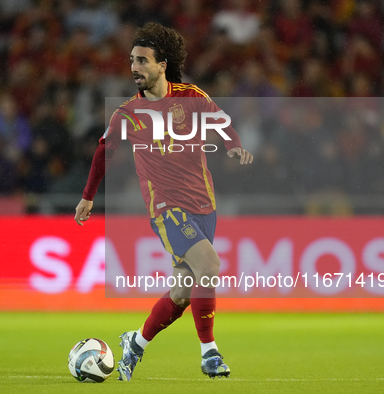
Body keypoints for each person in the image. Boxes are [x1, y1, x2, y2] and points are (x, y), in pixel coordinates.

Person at [74, 22, 253, 381]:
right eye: (131, 61)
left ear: (162, 65)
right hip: (166, 207)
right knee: (210, 266)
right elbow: (103, 153)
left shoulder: (190, 97)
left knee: (183, 292)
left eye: (142, 60)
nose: (134, 68)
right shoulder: (126, 114)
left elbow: (221, 122)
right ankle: (210, 354)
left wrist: (233, 145)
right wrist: (88, 197)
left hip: (204, 205)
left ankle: (135, 343)